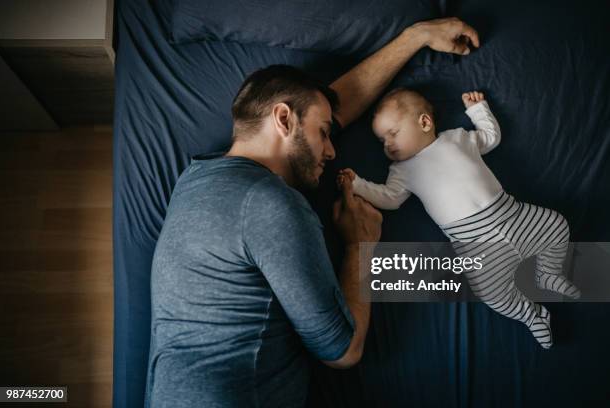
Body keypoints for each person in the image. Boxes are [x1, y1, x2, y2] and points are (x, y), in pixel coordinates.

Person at [145, 18, 480, 408]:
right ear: (283, 119)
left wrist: (416, 37)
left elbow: (321, 109)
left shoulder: (195, 178)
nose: (333, 150)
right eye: (325, 134)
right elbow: (342, 351)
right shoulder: (272, 203)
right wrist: (360, 247)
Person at [339, 89, 581, 349]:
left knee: (556, 225)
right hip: (475, 243)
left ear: (424, 122)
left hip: (513, 214)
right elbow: (390, 198)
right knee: (490, 292)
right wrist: (359, 185)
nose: (387, 144)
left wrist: (478, 110)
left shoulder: (457, 137)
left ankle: (548, 272)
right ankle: (532, 315)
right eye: (381, 141)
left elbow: (490, 137)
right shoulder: (401, 170)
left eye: (393, 133)